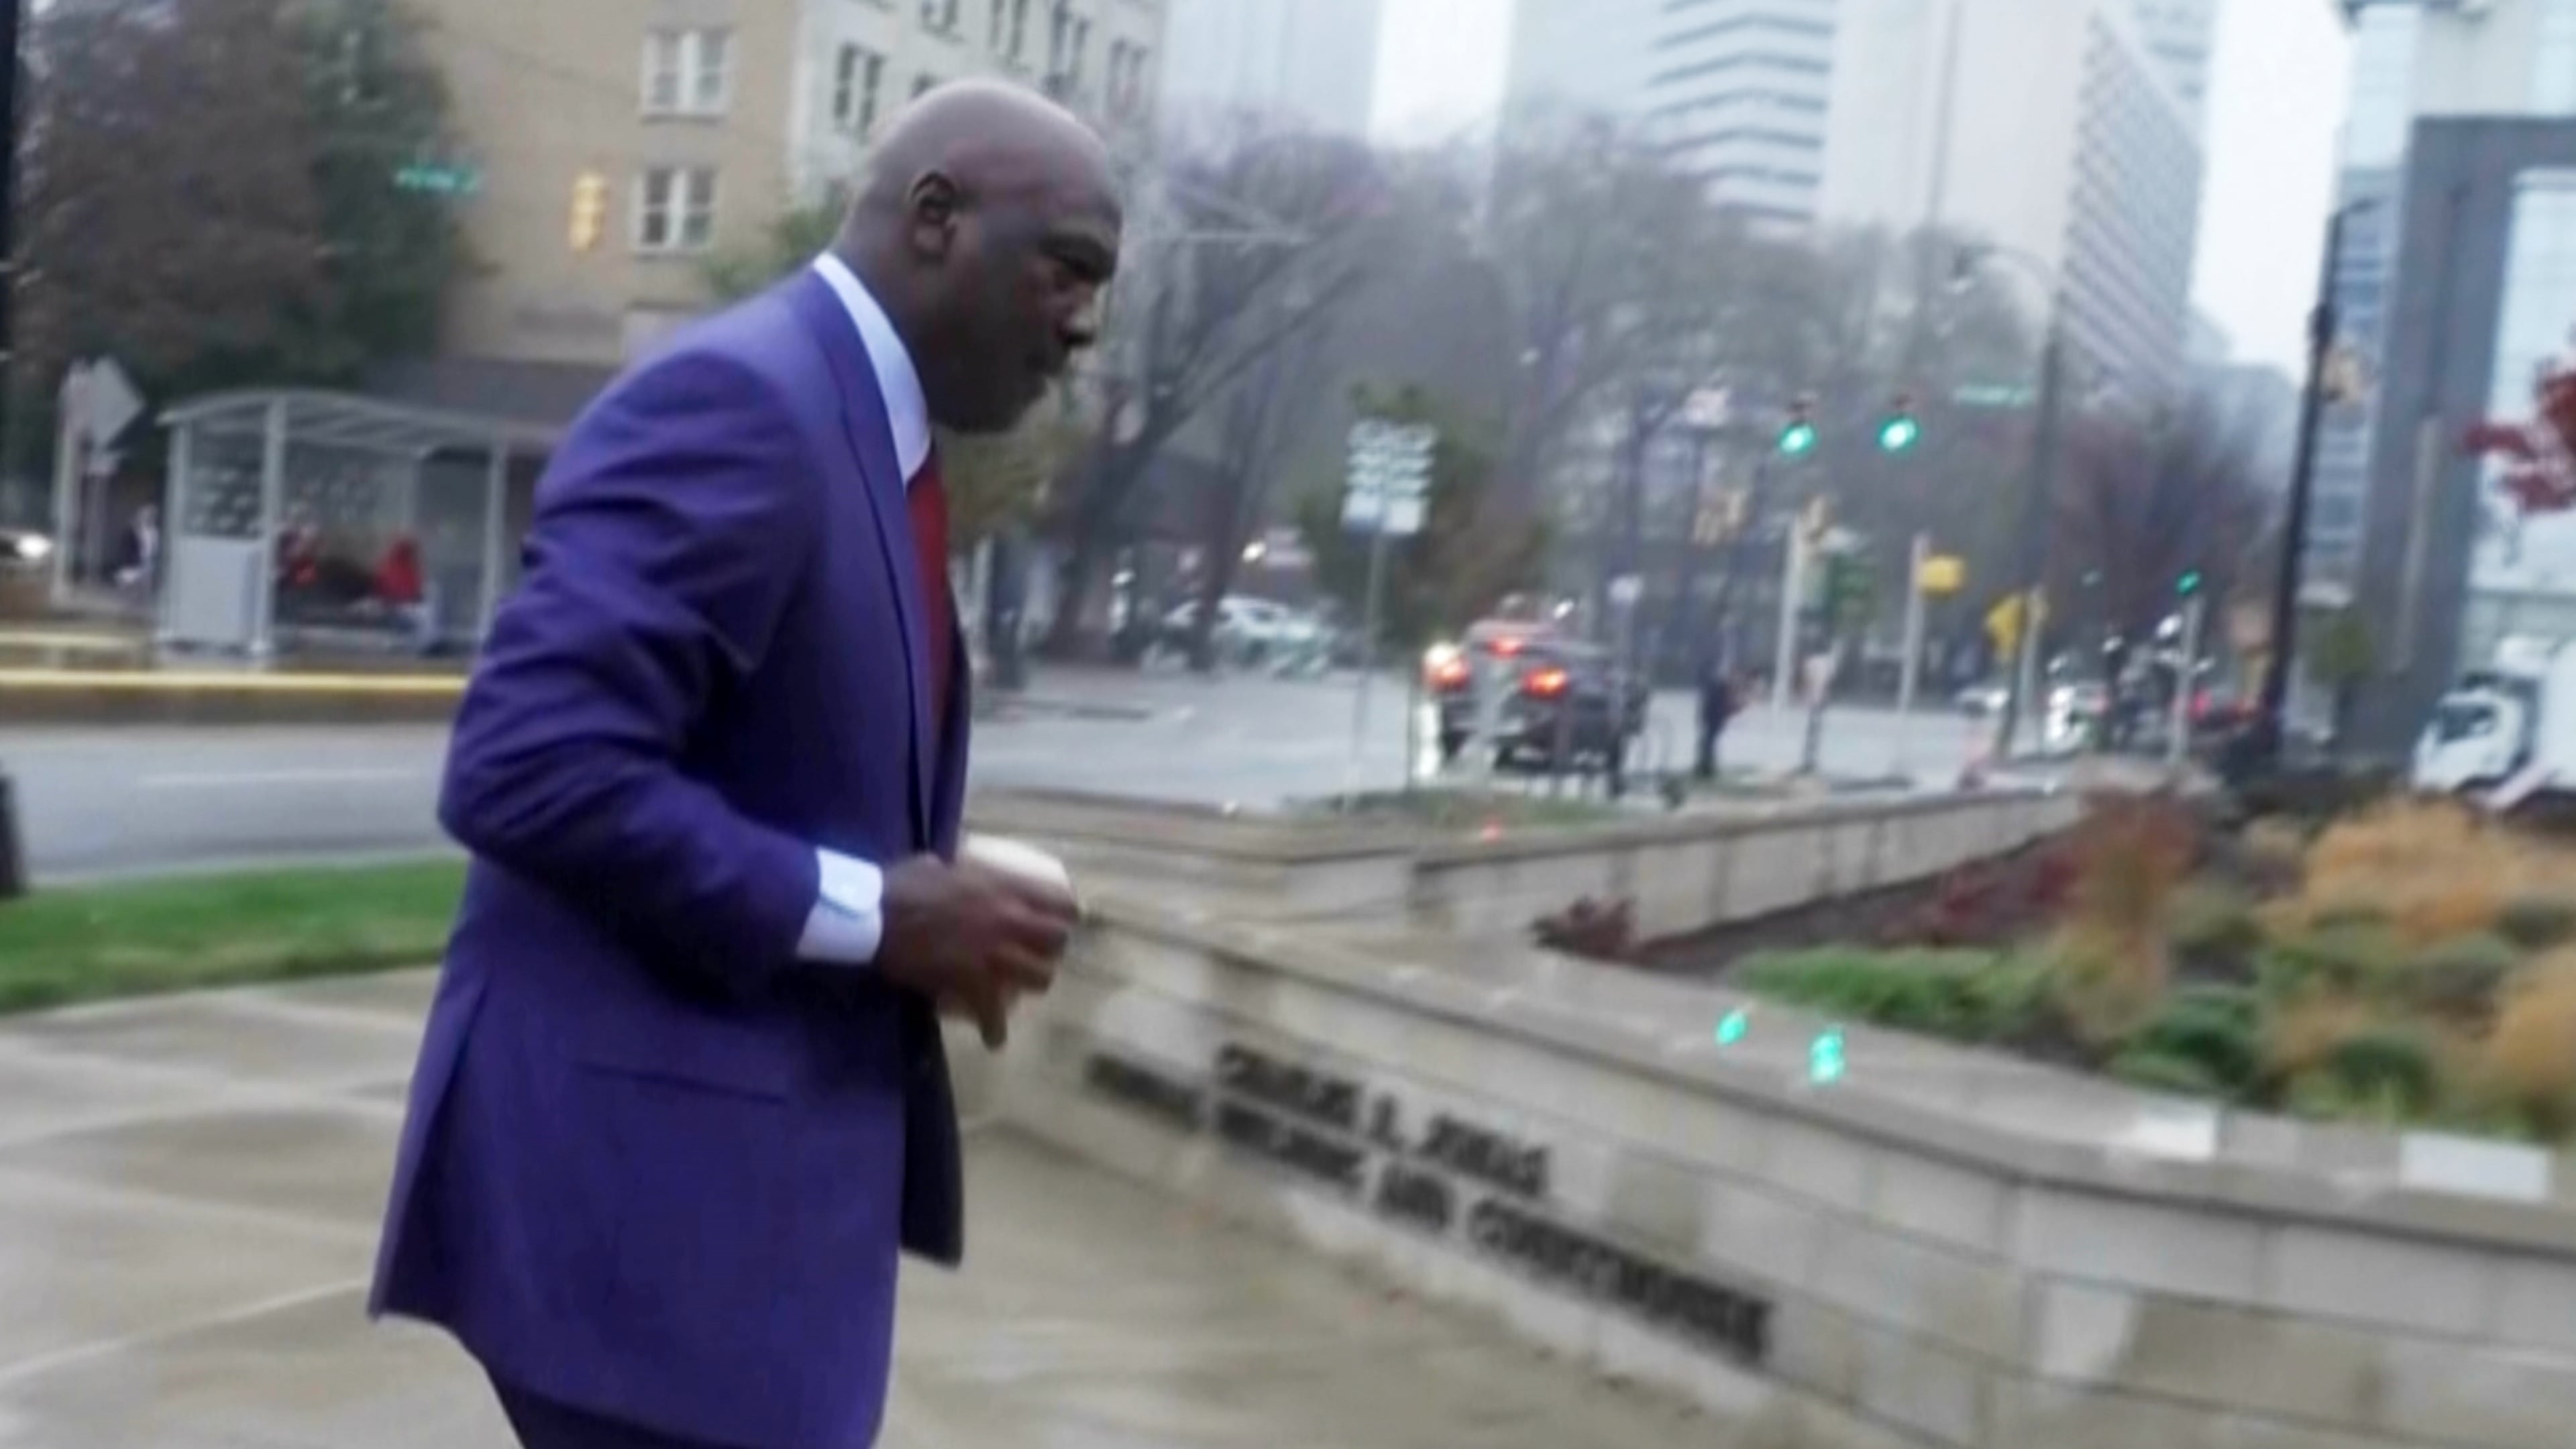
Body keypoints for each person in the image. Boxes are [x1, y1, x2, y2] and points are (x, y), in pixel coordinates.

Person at [369, 80, 1120, 1449]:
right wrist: (883, 914)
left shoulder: (864, 439)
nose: (1084, 324)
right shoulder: (747, 404)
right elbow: (527, 764)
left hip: (737, 1231)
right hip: (647, 1237)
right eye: (1066, 271)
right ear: (938, 220)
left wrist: (917, 897)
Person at [1695, 652, 1739, 781]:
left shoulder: (1716, 688)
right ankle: (1706, 766)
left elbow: (1715, 705)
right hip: (1714, 719)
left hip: (1713, 719)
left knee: (1708, 743)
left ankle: (1706, 767)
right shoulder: (1718, 688)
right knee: (1708, 743)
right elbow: (1718, 705)